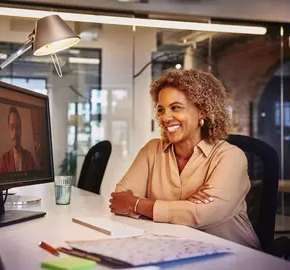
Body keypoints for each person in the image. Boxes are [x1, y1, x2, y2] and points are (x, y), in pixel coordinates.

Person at [109, 69, 260, 249]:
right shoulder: (152, 150)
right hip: (172, 249)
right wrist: (185, 206)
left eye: (176, 107)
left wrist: (137, 204)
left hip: (235, 255)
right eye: (160, 109)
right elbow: (119, 200)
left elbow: (202, 214)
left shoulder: (230, 157)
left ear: (203, 111)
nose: (165, 117)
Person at [0, 106, 37, 173]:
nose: (15, 132)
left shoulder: (29, 157)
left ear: (21, 129)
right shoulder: (4, 160)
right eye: (12, 127)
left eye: (17, 127)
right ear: (9, 131)